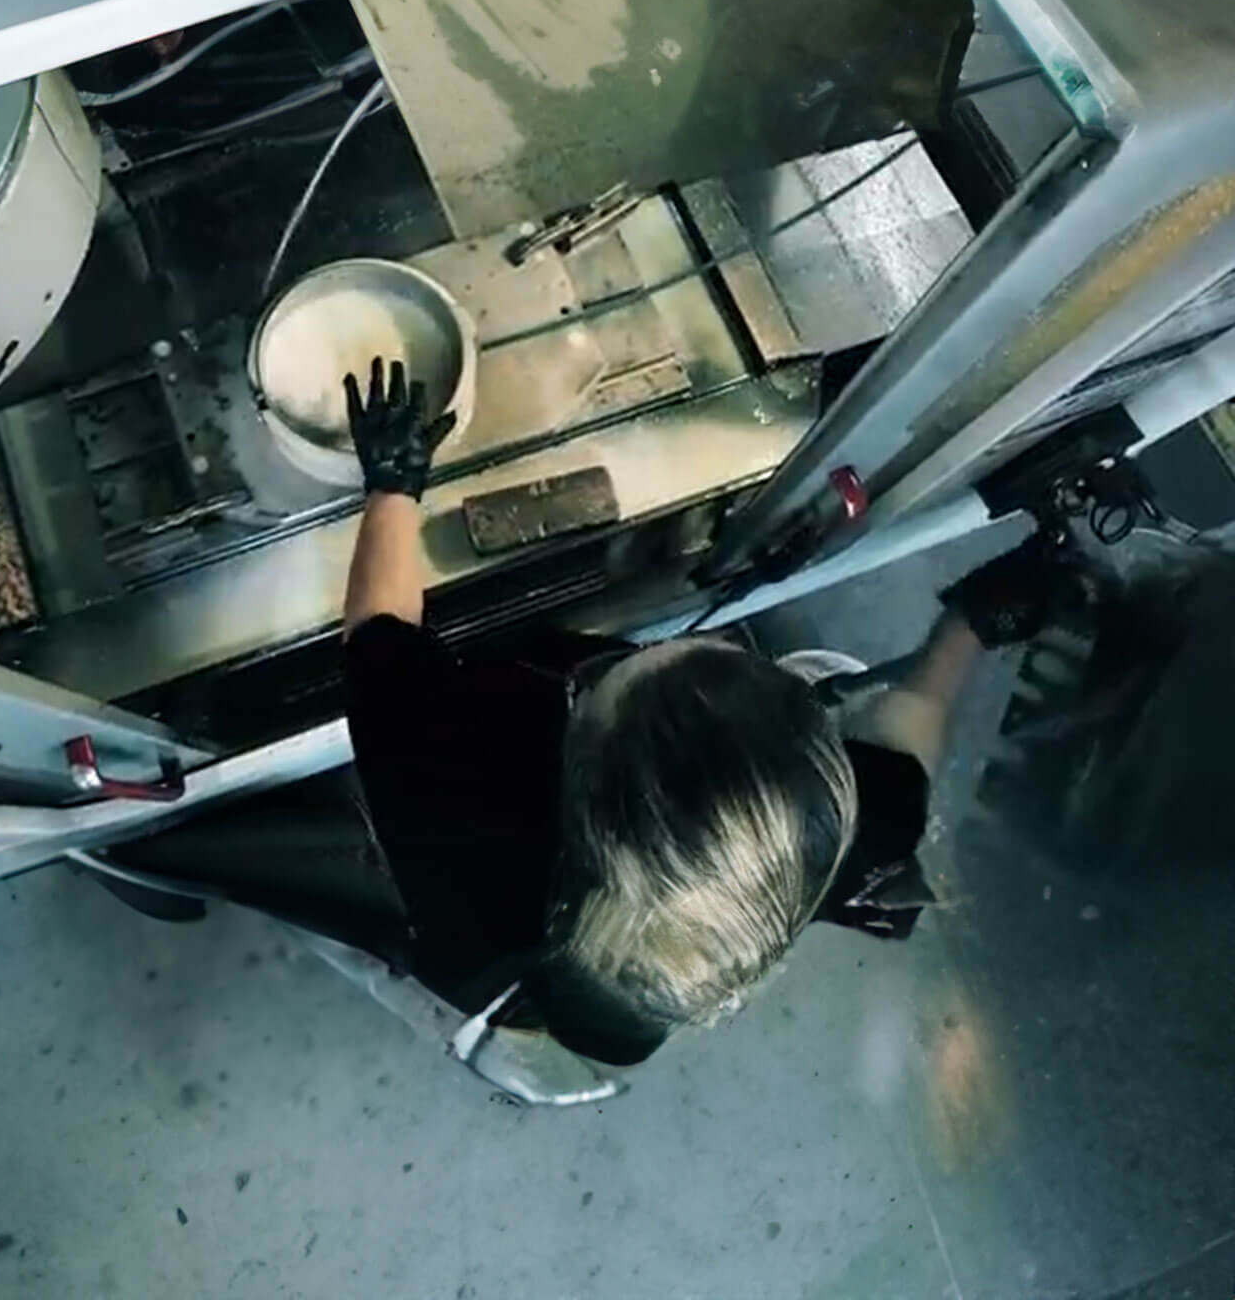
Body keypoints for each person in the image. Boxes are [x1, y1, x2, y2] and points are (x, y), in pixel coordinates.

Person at [339, 356, 1063, 1068]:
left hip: (484, 958)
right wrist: (969, 625)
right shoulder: (806, 823)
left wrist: (393, 487)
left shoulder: (451, 784)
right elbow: (909, 732)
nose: (620, 654)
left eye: (608, 674)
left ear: (578, 751)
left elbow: (378, 631)